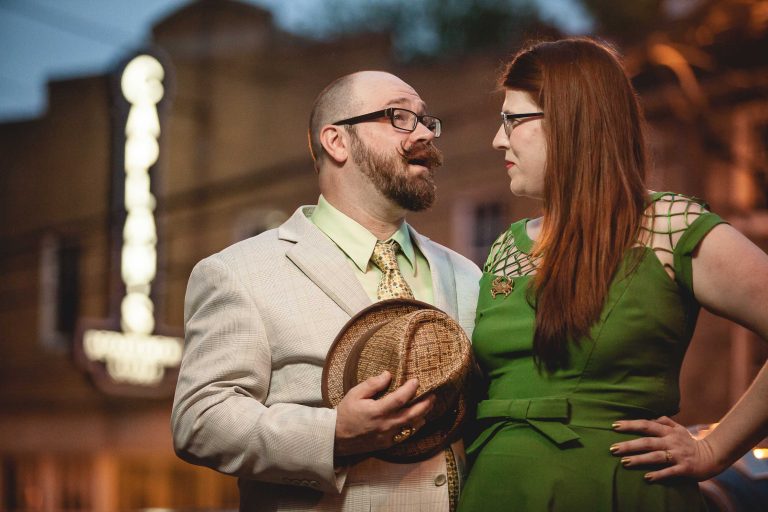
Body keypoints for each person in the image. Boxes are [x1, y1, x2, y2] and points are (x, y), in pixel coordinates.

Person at [458, 37, 768, 511]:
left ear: (571, 120)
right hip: (497, 491)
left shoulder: (668, 225)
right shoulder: (504, 247)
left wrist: (714, 448)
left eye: (513, 119)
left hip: (615, 492)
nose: (498, 139)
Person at [171, 70, 481, 512]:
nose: (424, 135)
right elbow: (199, 422)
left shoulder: (465, 274)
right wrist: (331, 434)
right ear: (336, 141)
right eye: (400, 117)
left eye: (427, 122)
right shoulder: (237, 272)